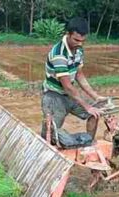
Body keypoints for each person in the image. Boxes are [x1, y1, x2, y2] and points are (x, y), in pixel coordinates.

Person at [41, 17, 107, 145]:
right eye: (76, 40)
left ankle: (88, 145)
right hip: (54, 96)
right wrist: (87, 106)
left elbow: (79, 75)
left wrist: (95, 97)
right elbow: (67, 86)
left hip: (69, 95)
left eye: (83, 41)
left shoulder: (78, 49)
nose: (80, 43)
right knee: (51, 134)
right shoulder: (59, 54)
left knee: (94, 113)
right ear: (68, 34)